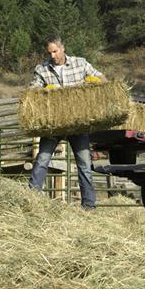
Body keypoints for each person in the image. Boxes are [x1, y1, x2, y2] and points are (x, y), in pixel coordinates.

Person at [28, 34, 105, 210]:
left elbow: (102, 79)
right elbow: (32, 91)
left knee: (84, 164)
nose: (53, 56)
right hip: (54, 124)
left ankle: (89, 205)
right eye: (50, 53)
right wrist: (45, 90)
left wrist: (91, 83)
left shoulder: (80, 63)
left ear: (63, 48)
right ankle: (31, 198)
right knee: (42, 159)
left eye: (55, 51)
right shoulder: (42, 69)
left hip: (77, 123)